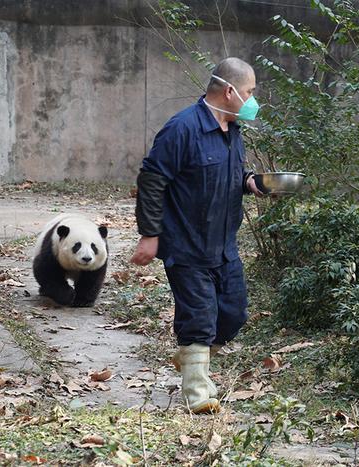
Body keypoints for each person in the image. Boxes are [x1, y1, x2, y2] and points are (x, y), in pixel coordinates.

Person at [131, 57, 263, 414]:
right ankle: (198, 394)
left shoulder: (233, 132)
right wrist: (149, 235)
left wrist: (251, 182)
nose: (253, 100)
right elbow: (152, 181)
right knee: (200, 316)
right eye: (250, 92)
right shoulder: (182, 129)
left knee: (232, 314)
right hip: (186, 245)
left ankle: (190, 359)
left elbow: (231, 175)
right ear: (230, 91)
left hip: (223, 246)